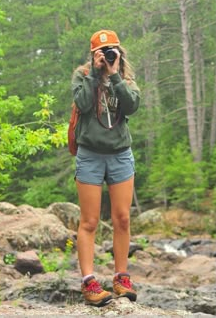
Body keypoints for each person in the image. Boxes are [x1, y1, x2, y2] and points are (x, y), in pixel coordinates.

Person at [71, 29, 140, 307]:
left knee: (122, 217)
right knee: (89, 221)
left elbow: (132, 106)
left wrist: (113, 75)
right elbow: (83, 104)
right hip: (90, 155)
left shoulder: (126, 80)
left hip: (120, 155)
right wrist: (93, 75)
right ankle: (89, 282)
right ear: (92, 54)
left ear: (120, 52)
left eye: (113, 50)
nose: (108, 54)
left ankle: (121, 278)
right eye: (102, 51)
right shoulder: (82, 75)